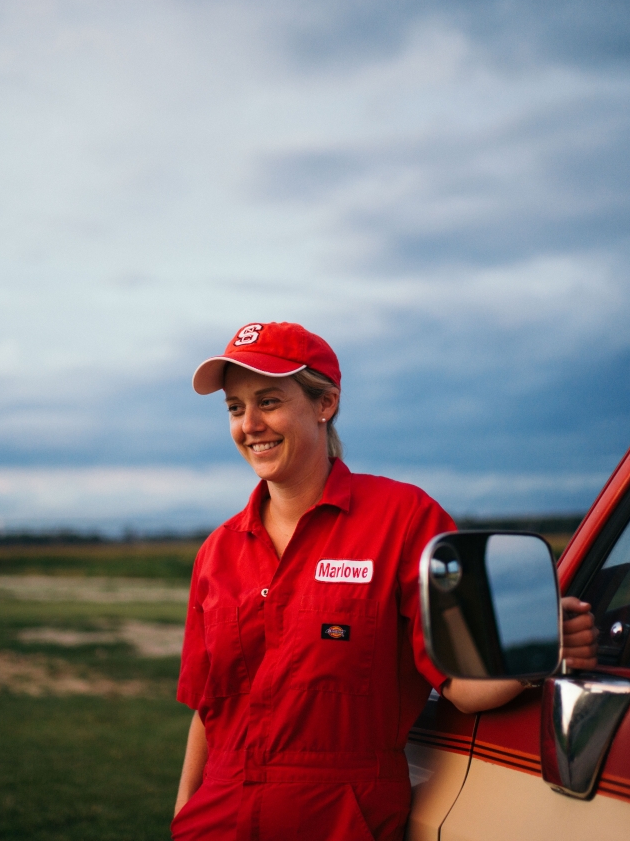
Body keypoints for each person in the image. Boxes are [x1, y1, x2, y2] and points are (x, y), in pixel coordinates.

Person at [172, 322, 599, 841]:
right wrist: (184, 817)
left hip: (342, 820)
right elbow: (209, 710)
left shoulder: (404, 521)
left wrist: (537, 650)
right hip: (219, 820)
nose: (250, 425)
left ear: (325, 402)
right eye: (236, 409)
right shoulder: (217, 552)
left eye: (269, 401)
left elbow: (461, 685)